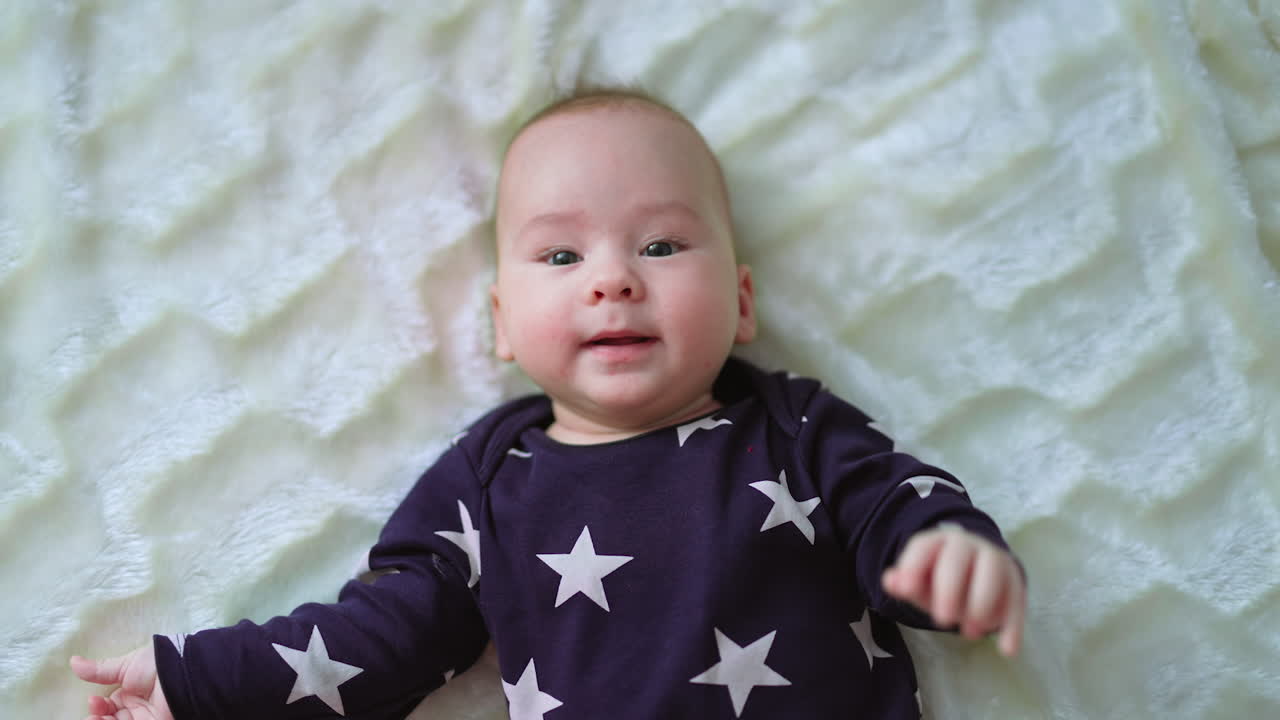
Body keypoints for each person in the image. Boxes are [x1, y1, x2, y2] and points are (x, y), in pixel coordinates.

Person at [71, 87, 1027, 720]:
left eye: (659, 246)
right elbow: (380, 637)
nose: (611, 279)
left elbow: (894, 506)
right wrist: (204, 681)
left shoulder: (797, 431)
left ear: (741, 302)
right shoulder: (489, 483)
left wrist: (945, 553)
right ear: (502, 323)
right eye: (561, 257)